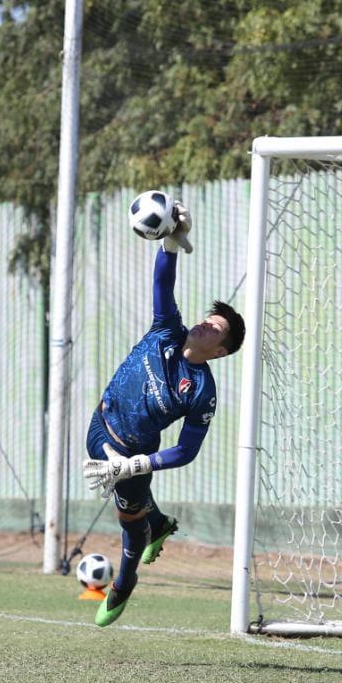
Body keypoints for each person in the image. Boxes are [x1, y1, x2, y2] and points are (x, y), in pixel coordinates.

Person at [82, 201, 245, 626]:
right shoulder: (166, 331)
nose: (206, 325)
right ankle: (160, 522)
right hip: (99, 423)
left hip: (132, 452)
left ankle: (125, 582)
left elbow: (187, 451)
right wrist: (171, 242)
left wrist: (136, 464)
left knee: (129, 522)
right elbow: (162, 283)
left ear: (221, 351)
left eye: (216, 329)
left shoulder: (203, 390)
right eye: (207, 319)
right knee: (134, 513)